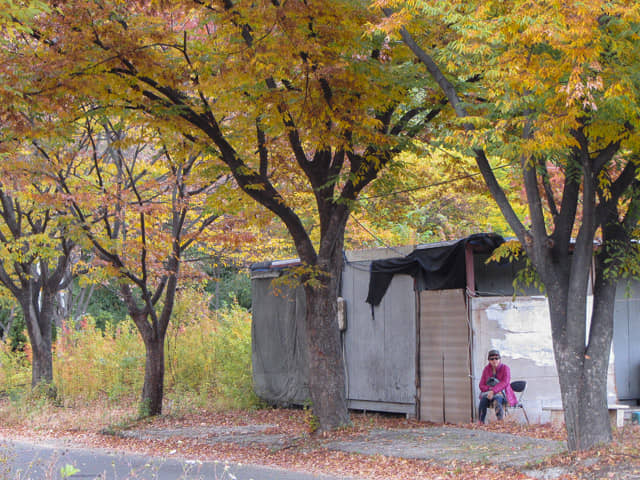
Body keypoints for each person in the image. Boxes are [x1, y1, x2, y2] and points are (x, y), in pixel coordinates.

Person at [478, 349, 517, 424]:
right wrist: (490, 390)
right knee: (483, 399)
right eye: (492, 359)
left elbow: (505, 382)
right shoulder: (486, 369)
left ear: (500, 359)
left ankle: (500, 422)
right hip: (489, 394)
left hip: (503, 393)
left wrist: (493, 391)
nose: (494, 360)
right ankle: (481, 422)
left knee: (497, 398)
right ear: (489, 360)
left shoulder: (505, 368)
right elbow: (481, 385)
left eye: (496, 358)